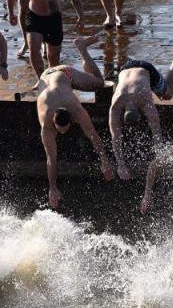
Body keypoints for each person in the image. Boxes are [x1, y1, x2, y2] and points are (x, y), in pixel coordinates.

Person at [38, 35, 115, 208]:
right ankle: (81, 48)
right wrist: (52, 188)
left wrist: (105, 161)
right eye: (60, 130)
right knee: (51, 152)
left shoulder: (76, 109)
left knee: (99, 82)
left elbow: (93, 136)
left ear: (71, 119)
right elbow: (51, 159)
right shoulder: (46, 125)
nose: (63, 133)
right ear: (53, 122)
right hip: (45, 77)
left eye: (66, 129)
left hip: (64, 73)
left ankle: (82, 48)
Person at [109, 48, 173, 179]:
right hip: (125, 69)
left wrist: (159, 161)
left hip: (146, 69)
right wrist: (120, 165)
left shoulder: (141, 101)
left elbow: (157, 133)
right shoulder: (117, 105)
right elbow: (115, 137)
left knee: (168, 93)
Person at [7, 0, 85, 84]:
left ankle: (52, 79)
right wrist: (11, 13)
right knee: (33, 48)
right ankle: (41, 80)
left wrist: (81, 17)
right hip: (34, 17)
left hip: (53, 18)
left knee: (53, 55)